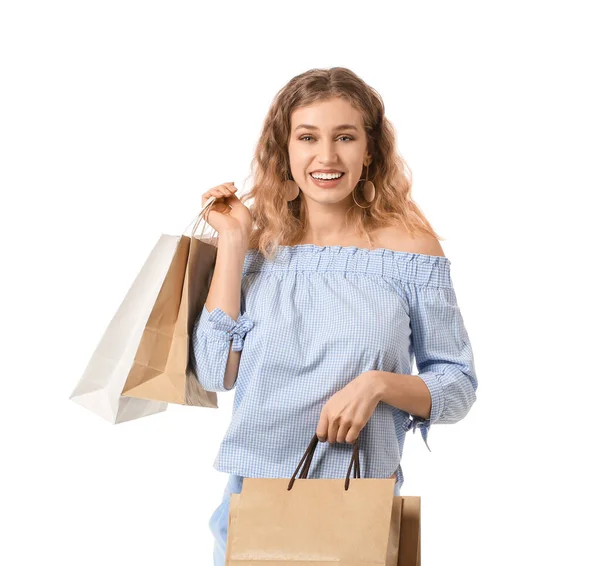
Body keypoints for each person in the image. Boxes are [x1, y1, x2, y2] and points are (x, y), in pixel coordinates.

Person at [190, 67, 478, 565]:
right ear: (285, 152)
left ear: (370, 152)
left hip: (358, 506)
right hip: (253, 500)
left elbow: (457, 386)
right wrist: (234, 243)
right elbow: (216, 373)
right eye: (308, 137)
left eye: (345, 137)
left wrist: (379, 385)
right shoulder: (256, 247)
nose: (326, 157)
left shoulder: (410, 249)